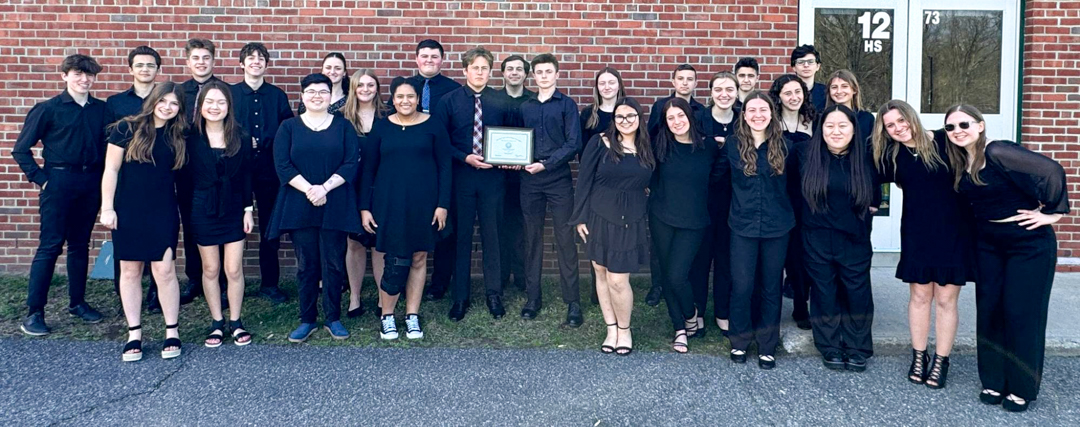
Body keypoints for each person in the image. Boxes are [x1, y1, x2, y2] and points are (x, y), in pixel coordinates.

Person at [945, 104, 1069, 412]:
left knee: (1021, 314)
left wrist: (1052, 214)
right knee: (990, 312)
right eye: (951, 127)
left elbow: (1052, 170)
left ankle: (1021, 388)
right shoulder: (961, 160)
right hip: (988, 244)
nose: (958, 131)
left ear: (981, 125)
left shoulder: (998, 151)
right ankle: (993, 381)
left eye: (964, 124)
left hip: (1027, 244)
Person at [872, 100, 975, 388]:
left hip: (953, 231)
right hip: (917, 232)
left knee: (945, 299)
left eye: (901, 121)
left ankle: (942, 359)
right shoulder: (892, 156)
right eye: (890, 126)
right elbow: (864, 176)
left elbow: (982, 157)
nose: (898, 128)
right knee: (919, 297)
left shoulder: (945, 140)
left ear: (911, 117)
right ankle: (919, 356)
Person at [12, 54, 108, 336]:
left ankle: (77, 303)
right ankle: (34, 312)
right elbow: (21, 149)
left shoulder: (100, 110)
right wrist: (42, 180)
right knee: (51, 245)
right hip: (58, 181)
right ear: (64, 76)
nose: (84, 79)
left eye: (89, 75)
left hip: (90, 181)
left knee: (80, 244)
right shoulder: (48, 109)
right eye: (78, 74)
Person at [268, 73, 362, 343]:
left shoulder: (342, 126)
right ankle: (307, 318)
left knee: (333, 263)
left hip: (335, 201)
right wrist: (310, 189)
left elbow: (350, 163)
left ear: (330, 96)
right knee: (306, 265)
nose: (317, 96)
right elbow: (282, 165)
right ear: (303, 95)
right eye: (311, 91)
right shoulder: (289, 127)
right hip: (300, 202)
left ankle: (333, 317)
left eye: (323, 91)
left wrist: (324, 188)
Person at [100, 82, 188, 361]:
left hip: (163, 209)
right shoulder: (126, 128)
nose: (167, 107)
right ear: (153, 100)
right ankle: (134, 333)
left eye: (174, 104)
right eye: (164, 101)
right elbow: (111, 170)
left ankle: (171, 330)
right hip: (128, 210)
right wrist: (107, 208)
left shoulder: (179, 135)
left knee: (164, 271)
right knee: (130, 271)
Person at [360, 77, 450, 340]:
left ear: (418, 99)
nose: (405, 101)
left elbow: (445, 167)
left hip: (425, 203)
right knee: (395, 257)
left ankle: (412, 315)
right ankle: (387, 316)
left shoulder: (434, 125)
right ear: (393, 99)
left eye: (410, 96)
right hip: (389, 203)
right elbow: (368, 170)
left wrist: (442, 204)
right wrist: (365, 207)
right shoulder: (381, 128)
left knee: (420, 257)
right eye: (400, 97)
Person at [432, 47, 515, 321]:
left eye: (484, 68)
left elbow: (512, 138)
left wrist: (506, 158)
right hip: (462, 177)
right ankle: (460, 297)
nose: (479, 73)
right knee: (461, 237)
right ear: (465, 70)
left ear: (490, 72)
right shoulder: (449, 101)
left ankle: (494, 294)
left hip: (493, 178)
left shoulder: (501, 100)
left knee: (493, 235)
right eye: (475, 68)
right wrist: (465, 157)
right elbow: (442, 144)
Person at [797, 105, 878, 372]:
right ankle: (830, 346)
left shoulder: (867, 157)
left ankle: (857, 347)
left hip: (854, 237)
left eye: (843, 126)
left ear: (854, 129)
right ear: (820, 130)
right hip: (816, 237)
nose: (836, 131)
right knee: (824, 292)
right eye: (829, 126)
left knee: (857, 292)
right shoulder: (804, 154)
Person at [572, 97, 655, 355]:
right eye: (620, 117)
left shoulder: (648, 147)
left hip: (630, 220)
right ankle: (611, 328)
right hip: (599, 214)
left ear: (639, 119)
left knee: (618, 278)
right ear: (614, 120)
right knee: (600, 270)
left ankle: (625, 329)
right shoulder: (600, 142)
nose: (625, 121)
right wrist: (579, 217)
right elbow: (584, 180)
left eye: (631, 116)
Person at [726, 91, 795, 370]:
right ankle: (740, 342)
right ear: (743, 115)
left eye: (763, 110)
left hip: (777, 228)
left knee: (770, 286)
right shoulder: (732, 146)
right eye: (751, 110)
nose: (757, 115)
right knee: (742, 286)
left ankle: (767, 345)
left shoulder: (786, 147)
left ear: (771, 114)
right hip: (742, 226)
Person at [650, 98, 725, 353]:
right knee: (666, 273)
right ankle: (680, 328)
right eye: (670, 118)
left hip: (694, 220)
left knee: (677, 275)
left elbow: (719, 178)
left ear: (690, 117)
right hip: (661, 216)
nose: (676, 122)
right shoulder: (659, 145)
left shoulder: (708, 147)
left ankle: (692, 313)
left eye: (680, 116)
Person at [186, 80, 255, 347]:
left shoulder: (241, 135)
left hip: (234, 207)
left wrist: (248, 210)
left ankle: (236, 322)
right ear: (200, 106)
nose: (215, 107)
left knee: (233, 268)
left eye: (221, 102)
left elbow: (246, 175)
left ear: (229, 106)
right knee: (211, 268)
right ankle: (216, 322)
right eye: (209, 102)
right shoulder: (189, 138)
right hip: (202, 206)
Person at [517, 53, 583, 326]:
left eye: (548, 72)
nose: (543, 76)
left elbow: (573, 143)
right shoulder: (525, 106)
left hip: (558, 180)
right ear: (533, 76)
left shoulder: (567, 105)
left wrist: (547, 164)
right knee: (531, 238)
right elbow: (516, 140)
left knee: (565, 238)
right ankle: (533, 298)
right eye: (539, 72)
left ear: (557, 74)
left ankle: (573, 302)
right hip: (529, 180)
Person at [230, 42, 294, 304]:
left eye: (261, 58)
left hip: (270, 170)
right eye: (250, 58)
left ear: (266, 64)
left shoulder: (277, 95)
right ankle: (228, 285)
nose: (256, 62)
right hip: (236, 169)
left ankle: (270, 284)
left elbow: (287, 129)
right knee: (232, 226)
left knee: (270, 227)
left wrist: (267, 141)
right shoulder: (230, 93)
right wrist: (244, 140)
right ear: (242, 63)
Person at [106, 45, 162, 312]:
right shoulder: (116, 104)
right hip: (125, 184)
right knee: (126, 246)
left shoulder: (165, 101)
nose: (145, 69)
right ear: (130, 69)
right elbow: (106, 146)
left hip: (156, 183)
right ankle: (124, 296)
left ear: (157, 70)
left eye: (150, 65)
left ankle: (154, 295)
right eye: (139, 65)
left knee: (156, 244)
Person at [645, 63, 705, 307]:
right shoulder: (661, 106)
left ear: (695, 83)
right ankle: (657, 285)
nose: (685, 83)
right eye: (681, 78)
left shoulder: (701, 110)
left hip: (688, 185)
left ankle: (680, 286)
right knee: (659, 247)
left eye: (690, 79)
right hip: (663, 180)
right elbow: (649, 141)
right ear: (673, 81)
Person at [407, 39, 462, 301]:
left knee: (444, 227)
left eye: (434, 57)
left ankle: (439, 283)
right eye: (424, 56)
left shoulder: (454, 90)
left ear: (442, 60)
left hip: (444, 165)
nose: (429, 60)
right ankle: (407, 277)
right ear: (416, 59)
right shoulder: (406, 89)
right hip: (413, 167)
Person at [690, 72, 738, 335]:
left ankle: (723, 312)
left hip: (734, 201)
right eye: (718, 89)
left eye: (729, 89)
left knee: (725, 259)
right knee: (700, 258)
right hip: (702, 198)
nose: (724, 94)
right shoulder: (698, 120)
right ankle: (697, 312)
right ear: (710, 93)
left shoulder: (743, 119)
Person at [178, 38, 224, 306]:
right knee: (192, 223)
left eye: (206, 58)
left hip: (218, 170)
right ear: (188, 62)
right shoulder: (178, 92)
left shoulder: (225, 90)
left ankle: (222, 280)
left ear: (213, 61)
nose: (201, 62)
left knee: (222, 221)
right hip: (187, 169)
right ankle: (196, 277)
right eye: (196, 58)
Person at [769, 74, 816, 330]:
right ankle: (771, 311)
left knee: (801, 256)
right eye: (787, 93)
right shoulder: (770, 123)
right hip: (778, 195)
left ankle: (801, 305)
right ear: (778, 96)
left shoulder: (814, 122)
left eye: (797, 92)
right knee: (777, 256)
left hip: (806, 198)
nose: (793, 97)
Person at [341, 68, 388, 318]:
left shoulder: (388, 116)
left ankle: (383, 297)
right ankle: (355, 296)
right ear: (353, 89)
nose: (366, 90)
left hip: (382, 186)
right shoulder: (342, 118)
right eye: (361, 86)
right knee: (355, 242)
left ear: (377, 89)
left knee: (380, 242)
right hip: (351, 186)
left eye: (371, 85)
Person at [497, 55, 533, 292]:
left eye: (519, 69)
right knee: (499, 225)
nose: (514, 73)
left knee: (522, 227)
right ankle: (500, 276)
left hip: (525, 175)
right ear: (502, 73)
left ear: (525, 74)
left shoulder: (533, 100)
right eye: (510, 69)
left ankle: (521, 275)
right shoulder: (493, 98)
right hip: (496, 174)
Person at [825, 69, 875, 145]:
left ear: (854, 90)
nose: (839, 91)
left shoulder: (867, 118)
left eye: (844, 86)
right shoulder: (822, 118)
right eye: (834, 87)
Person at [580, 67, 625, 144]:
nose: (607, 87)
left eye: (611, 82)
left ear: (619, 86)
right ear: (597, 87)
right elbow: (582, 146)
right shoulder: (588, 113)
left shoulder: (629, 112)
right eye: (602, 83)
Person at [791, 44, 827, 112]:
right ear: (794, 67)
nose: (806, 65)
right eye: (801, 62)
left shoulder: (826, 92)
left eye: (810, 62)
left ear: (818, 66)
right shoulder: (787, 92)